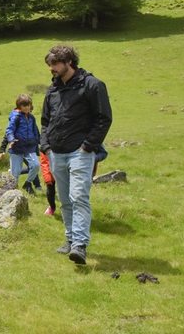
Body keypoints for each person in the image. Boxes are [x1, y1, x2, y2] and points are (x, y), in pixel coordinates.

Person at [40, 45, 112, 265]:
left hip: (80, 152)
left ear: (68, 62)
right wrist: (46, 146)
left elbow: (104, 118)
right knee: (65, 200)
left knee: (79, 196)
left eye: (54, 64)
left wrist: (87, 146)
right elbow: (45, 122)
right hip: (56, 153)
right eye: (49, 64)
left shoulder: (92, 85)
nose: (51, 68)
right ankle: (70, 240)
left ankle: (80, 245)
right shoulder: (52, 91)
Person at [5, 94, 40, 195]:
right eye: (24, 106)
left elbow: (35, 131)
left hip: (30, 147)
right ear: (19, 106)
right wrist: (11, 140)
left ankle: (27, 183)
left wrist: (41, 142)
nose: (27, 107)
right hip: (17, 147)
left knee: (36, 165)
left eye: (28, 105)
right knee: (15, 173)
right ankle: (12, 194)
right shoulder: (15, 117)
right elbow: (9, 130)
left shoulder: (32, 117)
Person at [40, 151, 56, 215]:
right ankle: (52, 207)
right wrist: (47, 178)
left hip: (65, 173)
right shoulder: (45, 144)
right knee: (50, 192)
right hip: (51, 173)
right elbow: (44, 163)